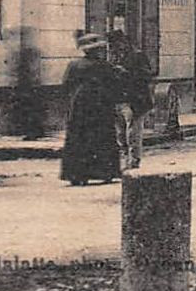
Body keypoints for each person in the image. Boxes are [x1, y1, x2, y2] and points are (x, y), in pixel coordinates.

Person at [60, 32, 125, 186]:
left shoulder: (74, 65)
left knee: (79, 138)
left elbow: (66, 85)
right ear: (96, 51)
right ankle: (105, 172)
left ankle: (77, 175)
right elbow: (114, 85)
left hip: (79, 106)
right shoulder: (104, 66)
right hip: (100, 106)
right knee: (102, 137)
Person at [110, 30, 155, 171]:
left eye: (117, 44)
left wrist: (126, 73)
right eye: (112, 45)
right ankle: (125, 159)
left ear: (124, 42)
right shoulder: (113, 58)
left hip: (135, 101)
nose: (114, 48)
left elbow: (148, 75)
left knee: (133, 133)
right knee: (120, 134)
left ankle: (134, 160)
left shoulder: (138, 56)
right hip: (119, 100)